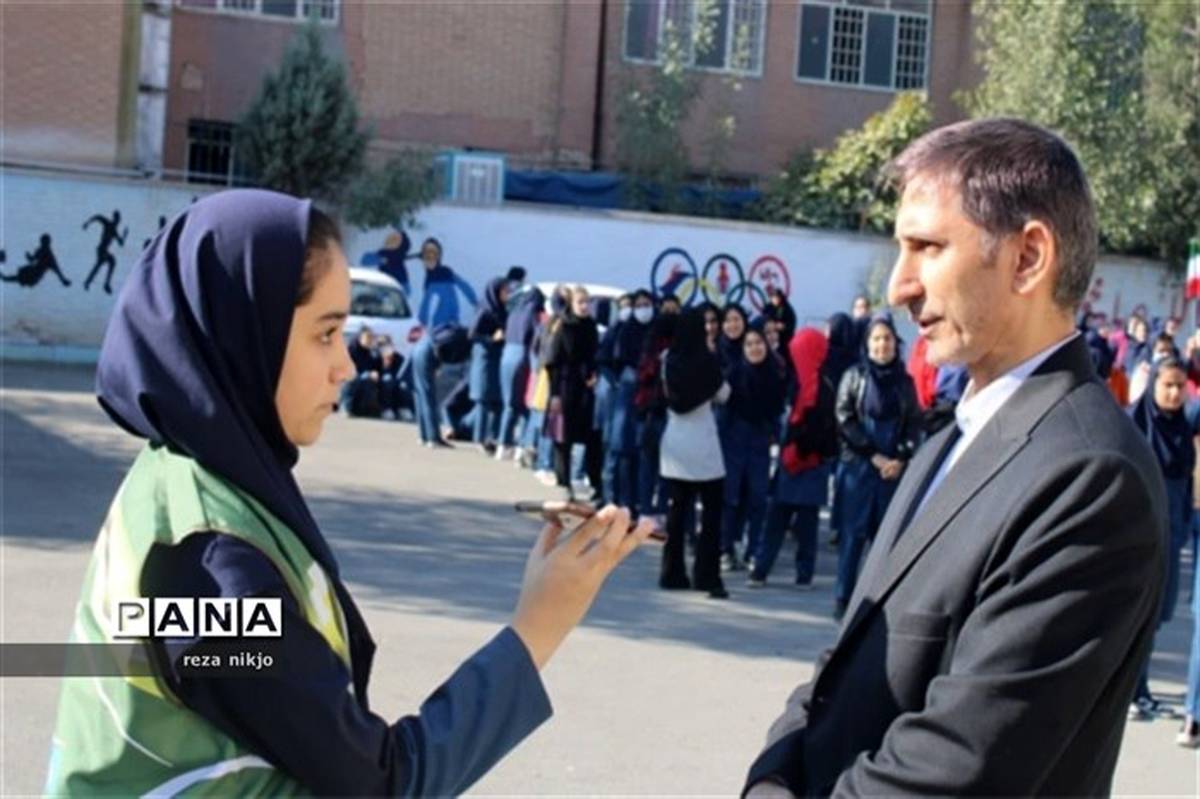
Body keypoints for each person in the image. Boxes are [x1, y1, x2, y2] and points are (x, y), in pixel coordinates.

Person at [44, 190, 654, 796]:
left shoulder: (186, 478)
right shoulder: (210, 564)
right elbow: (380, 782)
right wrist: (539, 625)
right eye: (325, 333)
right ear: (245, 336)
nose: (347, 366)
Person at [744, 118, 1168, 798]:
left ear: (1028, 257)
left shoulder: (1090, 476)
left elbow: (959, 767)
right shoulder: (952, 437)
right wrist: (771, 782)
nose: (899, 286)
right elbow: (843, 668)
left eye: (927, 247)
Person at [831, 314, 921, 618]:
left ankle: (875, 602)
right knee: (852, 535)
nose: (882, 345)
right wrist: (872, 454)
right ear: (867, 343)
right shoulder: (854, 376)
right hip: (859, 465)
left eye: (887, 338)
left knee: (885, 538)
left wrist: (901, 459)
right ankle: (844, 597)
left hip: (891, 470)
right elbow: (844, 418)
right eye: (876, 339)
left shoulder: (905, 382)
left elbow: (913, 425)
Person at [1127, 357, 1194, 721]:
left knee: (1155, 618)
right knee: (1134, 616)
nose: (1174, 393)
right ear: (1152, 384)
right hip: (1135, 538)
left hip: (1170, 536)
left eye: (1180, 386)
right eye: (1167, 385)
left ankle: (1140, 688)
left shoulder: (1182, 430)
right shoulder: (1133, 427)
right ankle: (1129, 691)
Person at [749, 327, 839, 589]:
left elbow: (823, 431)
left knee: (805, 524)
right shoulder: (796, 381)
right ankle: (762, 569)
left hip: (808, 463)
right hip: (792, 464)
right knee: (777, 519)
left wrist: (798, 452)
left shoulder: (823, 388)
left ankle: (802, 573)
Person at [659, 307, 730, 599]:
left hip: (675, 443)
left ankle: (672, 572)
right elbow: (724, 394)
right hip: (704, 444)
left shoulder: (667, 359)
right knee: (710, 515)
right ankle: (707, 575)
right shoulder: (708, 362)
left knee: (677, 514)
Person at [719, 323, 786, 573]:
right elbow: (724, 412)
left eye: (758, 343)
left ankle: (753, 550)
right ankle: (726, 548)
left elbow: (777, 410)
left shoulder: (775, 374)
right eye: (749, 344)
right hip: (734, 440)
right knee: (731, 497)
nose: (754, 348)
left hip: (760, 441)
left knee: (758, 498)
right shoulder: (734, 374)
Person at [543, 286, 604, 500]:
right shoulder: (564, 326)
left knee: (592, 438)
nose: (585, 306)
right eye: (580, 302)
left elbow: (595, 355)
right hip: (565, 387)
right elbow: (552, 362)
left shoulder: (591, 326)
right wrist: (555, 394)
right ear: (572, 304)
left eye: (587, 302)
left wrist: (595, 373)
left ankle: (596, 484)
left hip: (586, 389)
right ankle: (564, 483)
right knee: (563, 439)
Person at [604, 289, 654, 510]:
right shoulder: (625, 330)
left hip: (649, 398)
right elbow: (612, 358)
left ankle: (638, 502)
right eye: (639, 305)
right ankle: (619, 499)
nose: (643, 309)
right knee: (623, 449)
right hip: (627, 391)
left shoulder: (656, 331)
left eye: (647, 304)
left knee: (643, 454)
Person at [497, 286, 545, 460]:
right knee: (524, 405)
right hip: (522, 357)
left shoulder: (514, 313)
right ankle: (521, 445)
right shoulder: (533, 314)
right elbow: (538, 337)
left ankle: (502, 444)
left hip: (506, 356)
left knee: (508, 404)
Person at [467, 276, 509, 450]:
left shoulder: (503, 310)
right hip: (484, 359)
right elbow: (472, 334)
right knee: (483, 400)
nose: (507, 294)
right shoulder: (484, 310)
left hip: (497, 359)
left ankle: (493, 437)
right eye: (504, 291)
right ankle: (479, 438)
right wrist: (492, 338)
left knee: (497, 401)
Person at [417, 238, 477, 327]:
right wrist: (475, 301)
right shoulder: (442, 274)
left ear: (438, 256)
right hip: (451, 324)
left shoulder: (440, 276)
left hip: (442, 326)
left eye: (433, 254)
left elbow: (426, 307)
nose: (430, 258)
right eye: (427, 255)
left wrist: (421, 324)